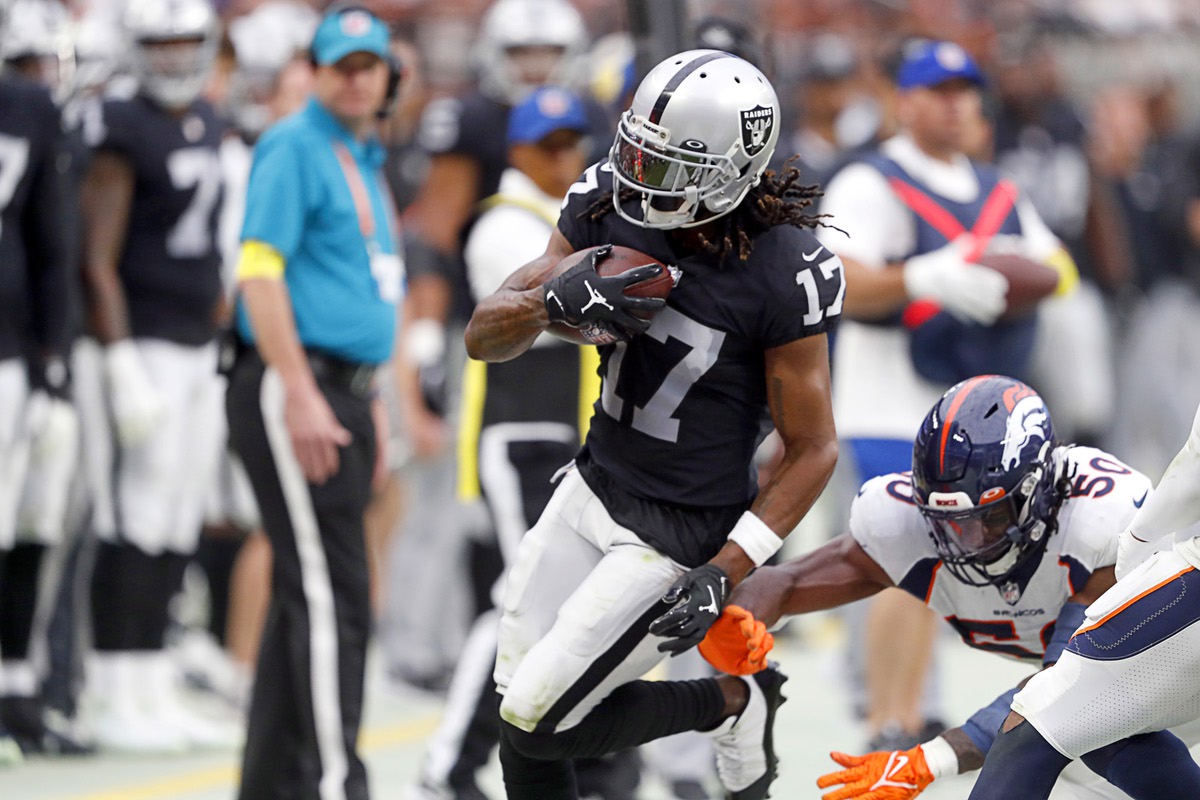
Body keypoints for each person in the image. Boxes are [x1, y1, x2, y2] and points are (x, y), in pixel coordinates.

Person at [465, 49, 843, 800]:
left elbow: (813, 448)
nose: (640, 178)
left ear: (733, 171)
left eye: (667, 166)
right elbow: (484, 338)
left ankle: (735, 700)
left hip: (676, 531)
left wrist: (727, 569)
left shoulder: (783, 269)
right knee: (518, 706)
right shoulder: (606, 197)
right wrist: (550, 307)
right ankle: (732, 702)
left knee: (541, 719)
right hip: (594, 480)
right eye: (638, 151)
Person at [700, 375, 1200, 798]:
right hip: (1098, 703)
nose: (966, 540)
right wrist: (740, 619)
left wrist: (932, 758)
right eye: (949, 522)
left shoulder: (1100, 519)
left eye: (986, 518)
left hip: (1177, 675)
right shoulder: (904, 522)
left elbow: (1066, 687)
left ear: (1038, 491)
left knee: (1077, 737)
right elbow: (785, 583)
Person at [816, 39, 1078, 750]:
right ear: (905, 99)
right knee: (895, 560)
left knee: (948, 565)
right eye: (939, 90)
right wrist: (922, 277)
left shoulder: (998, 189)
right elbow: (834, 278)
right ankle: (882, 720)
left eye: (966, 90)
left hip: (972, 416)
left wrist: (1014, 269)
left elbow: (1060, 267)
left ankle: (915, 713)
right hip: (886, 401)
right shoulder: (870, 181)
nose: (957, 103)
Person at [416, 86, 646, 800]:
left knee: (564, 602)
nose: (562, 156)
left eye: (571, 142)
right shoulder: (502, 223)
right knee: (519, 600)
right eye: (547, 144)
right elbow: (577, 302)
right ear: (516, 151)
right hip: (517, 435)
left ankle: (577, 762)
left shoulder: (568, 216)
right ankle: (447, 768)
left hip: (568, 438)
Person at [225, 7, 402, 800]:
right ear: (318, 71)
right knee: (335, 598)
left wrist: (379, 400)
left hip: (348, 389)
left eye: (371, 65)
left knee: (310, 597)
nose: (358, 78)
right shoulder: (294, 144)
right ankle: (340, 783)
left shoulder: (361, 152)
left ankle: (270, 785)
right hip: (301, 386)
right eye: (343, 65)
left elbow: (366, 285)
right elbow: (258, 271)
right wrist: (297, 389)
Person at [79, 0, 234, 753]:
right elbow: (97, 257)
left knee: (176, 518)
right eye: (159, 45)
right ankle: (111, 689)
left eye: (185, 43)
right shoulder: (122, 125)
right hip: (141, 342)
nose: (174, 59)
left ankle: (152, 682)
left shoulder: (205, 117)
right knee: (134, 517)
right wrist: (117, 362)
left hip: (194, 344)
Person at [966, 395, 1200, 799]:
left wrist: (1141, 535)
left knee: (1042, 715)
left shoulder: (1097, 511)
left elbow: (1193, 467)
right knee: (1101, 721)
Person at [0, 5, 74, 765]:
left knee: (21, 521)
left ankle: (16, 687)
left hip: (9, 350)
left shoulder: (25, 107)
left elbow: (51, 238)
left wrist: (53, 352)